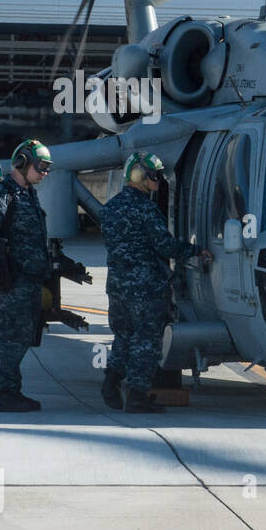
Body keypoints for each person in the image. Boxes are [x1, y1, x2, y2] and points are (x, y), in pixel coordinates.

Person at [100, 151, 211, 413]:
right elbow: (165, 245)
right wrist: (196, 251)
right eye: (155, 176)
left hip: (117, 285)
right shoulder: (146, 210)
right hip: (145, 286)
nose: (159, 181)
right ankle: (137, 395)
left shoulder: (111, 208)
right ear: (140, 176)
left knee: (123, 337)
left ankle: (111, 382)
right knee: (146, 340)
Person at [0, 139, 53, 412]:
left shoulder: (27, 193)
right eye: (41, 167)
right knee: (8, 337)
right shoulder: (1, 193)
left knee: (21, 337)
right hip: (12, 280)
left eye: (47, 168)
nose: (44, 173)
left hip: (28, 280)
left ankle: (11, 390)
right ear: (22, 163)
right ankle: (2, 392)